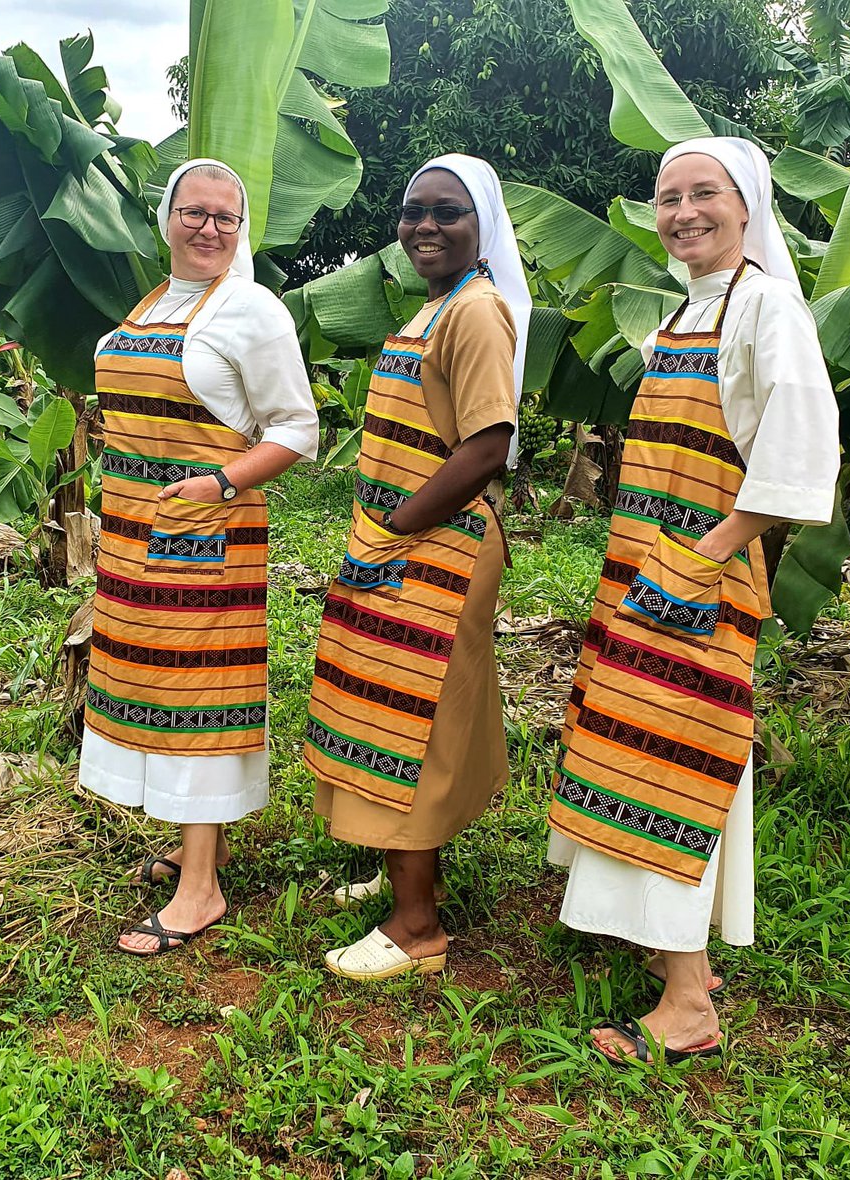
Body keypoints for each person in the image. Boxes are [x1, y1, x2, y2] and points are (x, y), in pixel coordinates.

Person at [547, 137, 840, 1063]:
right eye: (668, 197)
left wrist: (705, 555)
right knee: (632, 746)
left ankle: (687, 1009)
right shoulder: (687, 310)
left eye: (703, 194)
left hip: (694, 579)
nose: (683, 213)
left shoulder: (766, 307)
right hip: (646, 570)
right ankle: (676, 954)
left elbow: (801, 452)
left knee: (673, 762)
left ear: (746, 204)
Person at [80, 158, 318, 955]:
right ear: (168, 219)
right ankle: (194, 850)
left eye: (225, 216)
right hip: (134, 538)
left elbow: (298, 427)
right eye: (194, 212)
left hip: (207, 537)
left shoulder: (251, 308)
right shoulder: (154, 303)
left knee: (200, 699)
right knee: (151, 686)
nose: (208, 228)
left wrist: (221, 481)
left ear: (239, 227)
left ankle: (202, 890)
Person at [304, 153, 531, 980]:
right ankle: (402, 871)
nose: (425, 226)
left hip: (433, 545)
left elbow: (488, 445)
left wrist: (397, 525)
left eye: (447, 212)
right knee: (389, 708)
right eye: (413, 211)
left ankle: (416, 926)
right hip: (402, 541)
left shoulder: (475, 312)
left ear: (482, 226)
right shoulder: (437, 306)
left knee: (408, 720)